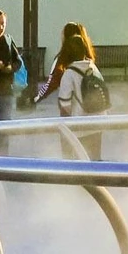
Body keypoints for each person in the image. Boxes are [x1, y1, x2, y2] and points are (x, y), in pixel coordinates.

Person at [51, 25, 110, 160]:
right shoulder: (93, 67)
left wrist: (65, 126)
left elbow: (65, 105)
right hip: (98, 122)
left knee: (80, 162)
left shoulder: (69, 74)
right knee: (95, 160)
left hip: (80, 125)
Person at [35, 21, 94, 108]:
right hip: (92, 105)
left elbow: (52, 82)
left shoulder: (62, 61)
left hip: (72, 105)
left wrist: (37, 97)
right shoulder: (90, 62)